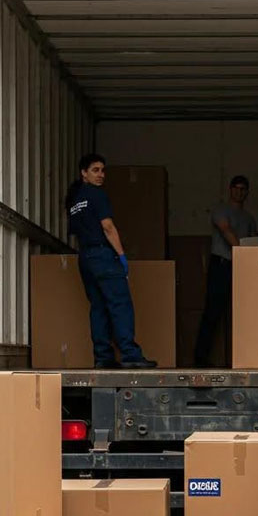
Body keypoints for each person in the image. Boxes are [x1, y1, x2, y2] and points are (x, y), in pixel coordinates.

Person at [65, 153, 156, 370]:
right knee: (120, 305)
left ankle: (103, 357)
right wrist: (122, 256)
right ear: (84, 173)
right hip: (103, 256)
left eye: (103, 170)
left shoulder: (74, 201)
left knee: (99, 308)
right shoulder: (97, 195)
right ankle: (131, 355)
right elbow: (108, 227)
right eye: (95, 170)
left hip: (85, 258)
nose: (101, 175)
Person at [194, 175, 258, 367]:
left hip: (242, 267)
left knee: (244, 312)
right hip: (222, 264)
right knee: (213, 311)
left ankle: (245, 357)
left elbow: (255, 239)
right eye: (236, 188)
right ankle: (200, 358)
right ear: (230, 189)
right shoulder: (220, 210)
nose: (239, 192)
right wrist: (241, 250)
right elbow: (225, 230)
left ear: (247, 192)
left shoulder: (249, 218)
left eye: (243, 189)